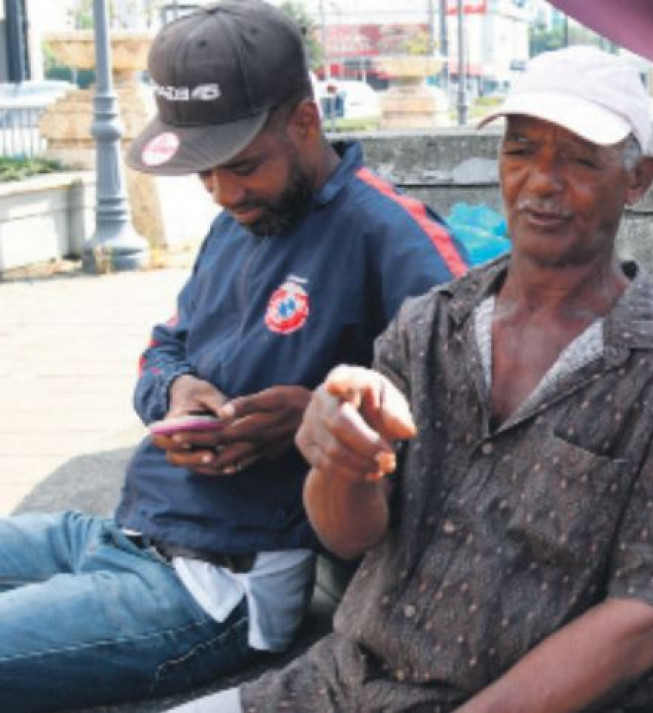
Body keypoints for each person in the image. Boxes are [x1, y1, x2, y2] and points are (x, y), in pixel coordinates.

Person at [171, 45, 653, 713]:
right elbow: (348, 535)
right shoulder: (429, 325)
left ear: (637, 178)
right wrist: (339, 461)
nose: (542, 181)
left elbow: (647, 620)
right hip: (340, 685)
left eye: (580, 159)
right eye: (521, 151)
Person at [0, 2, 468, 711]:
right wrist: (178, 391)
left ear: (305, 122)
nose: (223, 192)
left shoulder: (389, 234)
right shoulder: (234, 223)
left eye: (243, 166)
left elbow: (468, 413)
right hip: (130, 528)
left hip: (219, 584)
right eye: (205, 175)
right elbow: (165, 347)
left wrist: (315, 420)